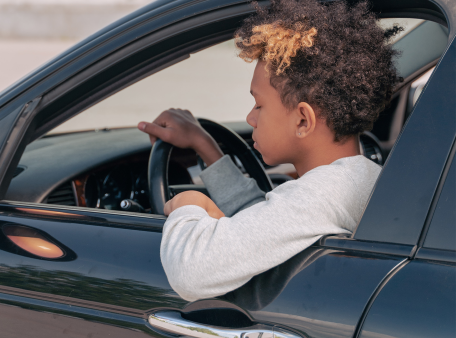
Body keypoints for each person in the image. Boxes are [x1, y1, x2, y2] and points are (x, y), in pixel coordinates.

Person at [137, 0, 402, 301]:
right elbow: (265, 225)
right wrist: (205, 146)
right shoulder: (352, 179)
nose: (251, 118)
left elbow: (191, 272)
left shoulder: (322, 195)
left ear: (303, 120)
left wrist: (188, 206)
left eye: (259, 105)